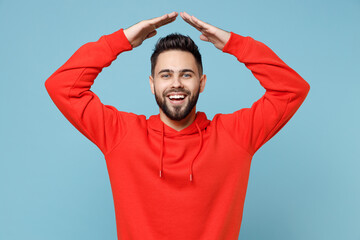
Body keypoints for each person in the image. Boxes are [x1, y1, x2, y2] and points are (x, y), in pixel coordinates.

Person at [45, 11, 310, 240]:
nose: (176, 84)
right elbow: (62, 86)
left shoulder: (234, 135)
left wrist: (233, 43)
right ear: (152, 84)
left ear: (202, 82)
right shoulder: (121, 135)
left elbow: (291, 89)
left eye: (186, 74)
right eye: (166, 75)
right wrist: (123, 39)